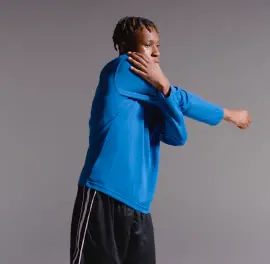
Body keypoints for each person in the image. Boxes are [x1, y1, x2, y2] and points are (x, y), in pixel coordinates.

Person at [70, 16, 252, 264]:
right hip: (104, 195)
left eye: (158, 45)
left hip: (139, 204)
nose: (155, 52)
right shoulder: (122, 67)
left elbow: (178, 136)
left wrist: (165, 93)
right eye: (147, 44)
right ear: (125, 47)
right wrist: (228, 114)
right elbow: (181, 99)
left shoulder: (153, 95)